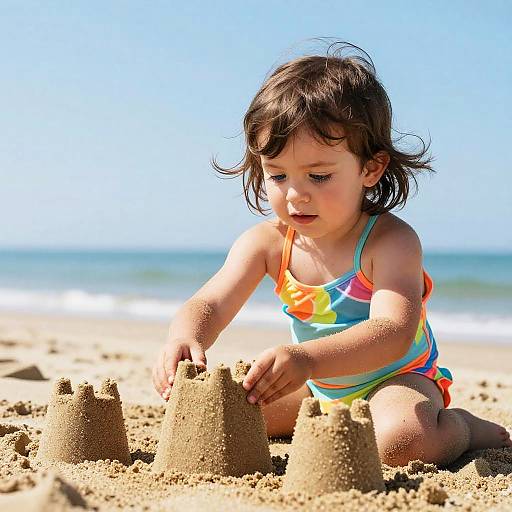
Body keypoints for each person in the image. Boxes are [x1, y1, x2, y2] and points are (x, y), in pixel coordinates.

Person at [152, 43, 511, 466]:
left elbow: (393, 331)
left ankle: (466, 427)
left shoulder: (390, 242)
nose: (295, 193)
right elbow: (210, 302)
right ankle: (324, 418)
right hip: (318, 385)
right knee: (220, 415)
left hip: (397, 381)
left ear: (370, 169)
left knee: (401, 443)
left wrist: (306, 358)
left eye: (319, 175)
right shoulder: (267, 243)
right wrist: (185, 337)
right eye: (277, 174)